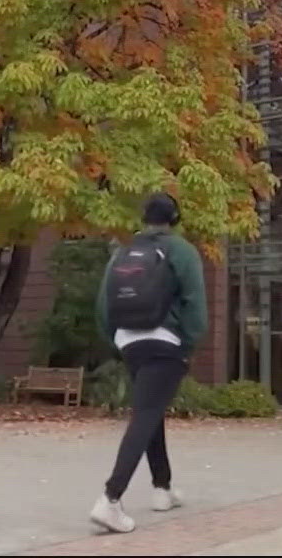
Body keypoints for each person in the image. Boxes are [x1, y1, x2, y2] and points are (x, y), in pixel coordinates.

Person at [89, 192, 207, 534]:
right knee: (145, 415)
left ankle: (162, 488)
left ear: (144, 218)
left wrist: (118, 339)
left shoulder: (123, 251)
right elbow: (195, 305)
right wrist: (187, 343)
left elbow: (103, 307)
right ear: (175, 218)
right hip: (167, 342)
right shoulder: (182, 251)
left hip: (131, 342)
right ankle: (110, 499)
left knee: (150, 410)